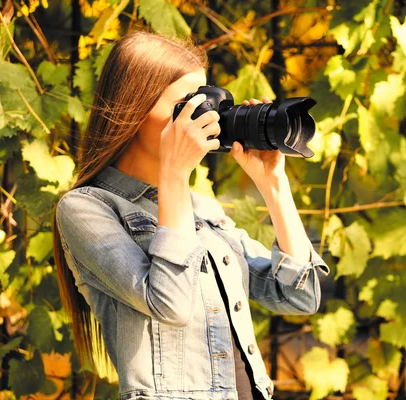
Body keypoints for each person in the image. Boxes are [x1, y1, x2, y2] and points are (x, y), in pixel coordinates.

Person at [52, 31, 330, 400]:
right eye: (188, 105)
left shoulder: (200, 207)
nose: (206, 117)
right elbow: (171, 303)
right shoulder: (87, 208)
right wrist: (175, 173)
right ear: (134, 109)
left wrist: (274, 185)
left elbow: (298, 296)